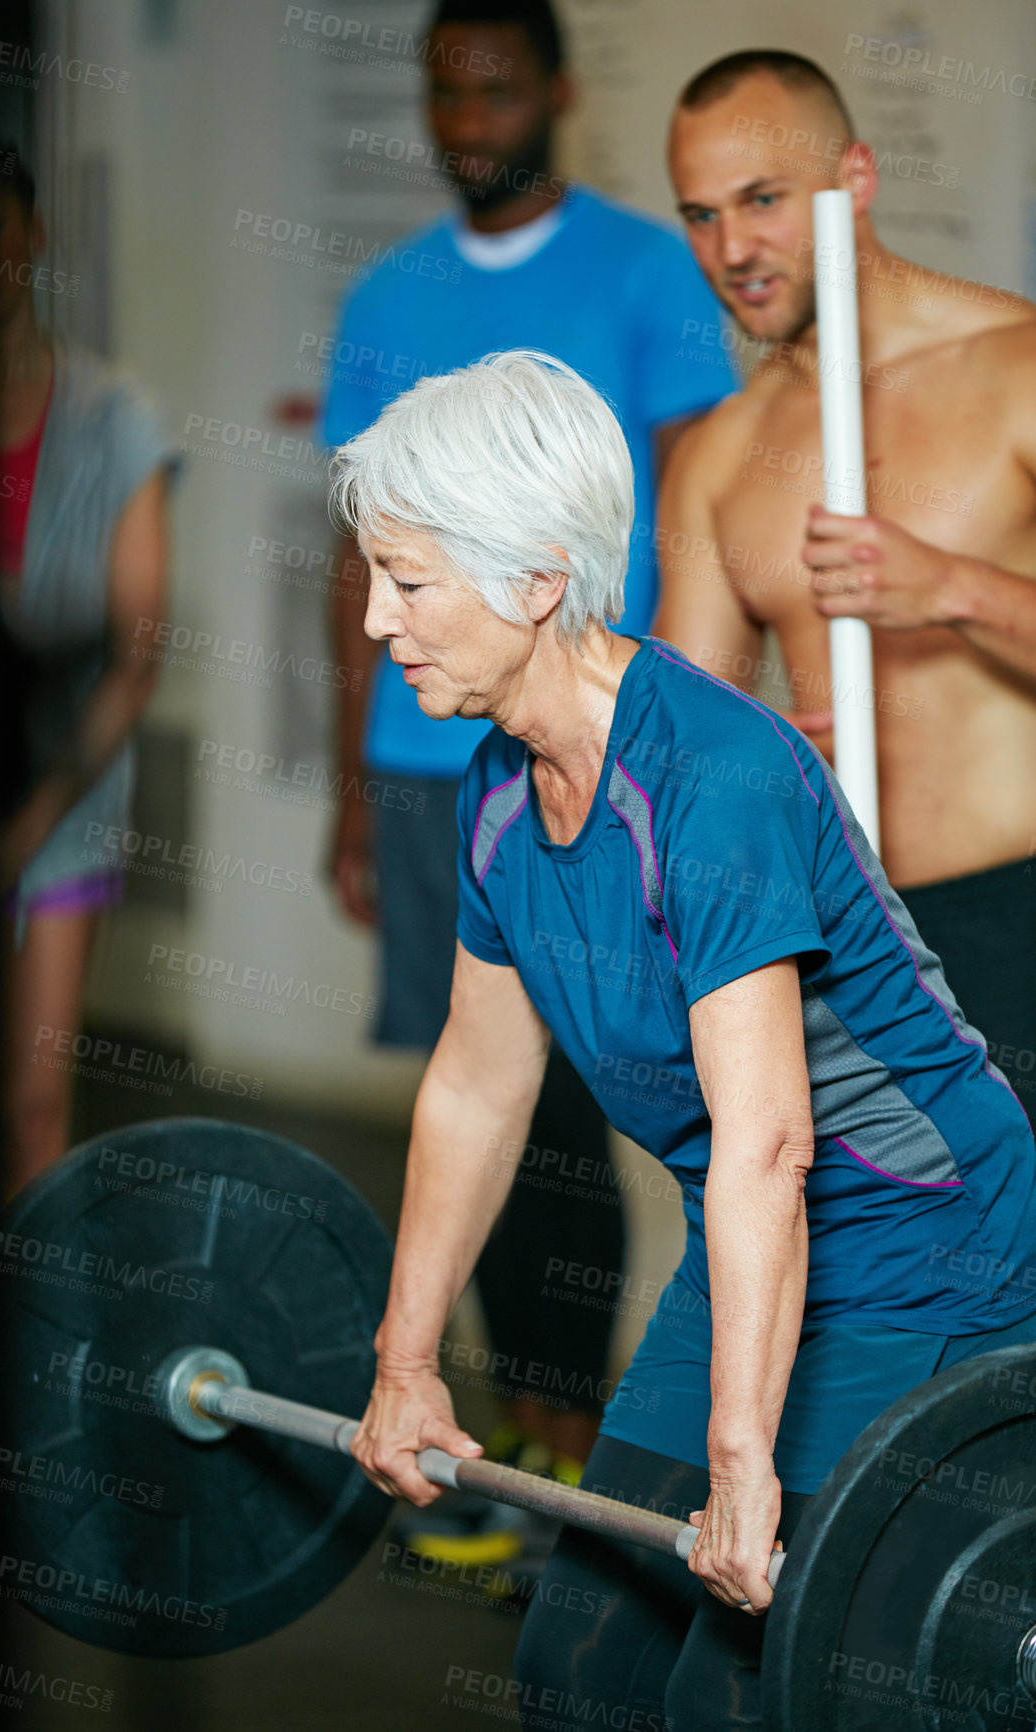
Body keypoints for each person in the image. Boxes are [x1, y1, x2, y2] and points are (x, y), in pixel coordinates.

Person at [329, 349, 1036, 1728]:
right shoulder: (496, 790)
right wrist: (405, 1369)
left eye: (406, 581)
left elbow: (772, 1141)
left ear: (535, 580)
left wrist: (741, 1460)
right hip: (753, 1239)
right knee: (576, 1667)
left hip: (921, 1243)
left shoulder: (706, 782)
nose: (374, 621)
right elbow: (477, 1087)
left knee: (742, 1683)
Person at [322, 0, 737, 1495]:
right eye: (445, 95)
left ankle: (581, 1439)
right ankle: (500, 1428)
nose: (467, 122)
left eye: (495, 92)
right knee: (475, 1089)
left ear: (555, 95)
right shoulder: (386, 291)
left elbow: (695, 517)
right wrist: (352, 789)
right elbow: (358, 568)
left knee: (577, 1109)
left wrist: (670, 743)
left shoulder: (641, 271)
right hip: (430, 770)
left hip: (589, 758)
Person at [654, 49, 1036, 1125]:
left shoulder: (1015, 366)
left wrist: (953, 589)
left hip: (1017, 914)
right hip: (843, 939)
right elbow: (680, 748)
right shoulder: (722, 458)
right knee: (874, 1290)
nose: (732, 250)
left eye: (762, 201)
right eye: (699, 215)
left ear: (854, 178)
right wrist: (765, 764)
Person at [0, 136, 179, 1193]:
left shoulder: (113, 417)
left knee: (31, 1107)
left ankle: (22, 1347)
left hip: (56, 787)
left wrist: (14, 830)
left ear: (28, 235)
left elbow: (134, 659)